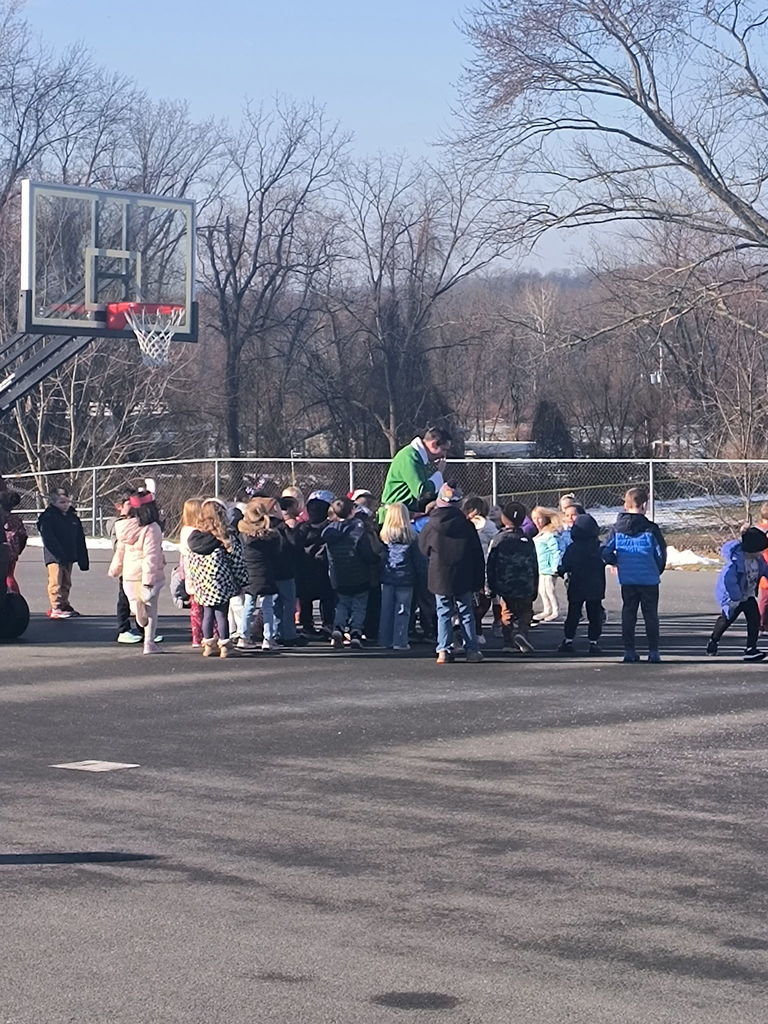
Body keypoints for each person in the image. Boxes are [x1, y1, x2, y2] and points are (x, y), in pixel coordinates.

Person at [418, 482, 485, 665]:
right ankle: (472, 650)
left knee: (443, 612)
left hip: (439, 574)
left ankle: (444, 650)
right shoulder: (467, 526)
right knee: (465, 611)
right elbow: (477, 553)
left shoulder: (430, 525)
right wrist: (479, 579)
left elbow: (423, 549)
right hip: (463, 573)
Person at [601, 486, 667, 663]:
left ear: (625, 505)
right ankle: (653, 651)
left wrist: (614, 561)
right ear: (644, 505)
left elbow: (605, 550)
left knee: (629, 614)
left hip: (628, 578)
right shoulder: (651, 529)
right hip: (649, 578)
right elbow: (660, 553)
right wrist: (656, 569)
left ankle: (629, 650)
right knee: (650, 615)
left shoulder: (617, 529)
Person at [186, 498, 248, 658]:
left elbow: (190, 562)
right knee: (222, 615)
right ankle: (225, 644)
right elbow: (237, 561)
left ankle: (208, 644)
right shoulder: (225, 537)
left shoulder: (195, 539)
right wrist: (242, 581)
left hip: (202, 584)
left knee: (207, 614)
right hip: (221, 583)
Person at [108, 488, 166, 655]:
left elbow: (120, 551)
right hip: (146, 575)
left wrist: (115, 569)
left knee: (134, 600)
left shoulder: (125, 527)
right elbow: (151, 555)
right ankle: (149, 643)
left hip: (129, 573)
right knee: (151, 609)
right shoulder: (151, 528)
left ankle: (136, 609)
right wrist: (149, 580)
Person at [323, 496, 381, 648]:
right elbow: (366, 553)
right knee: (359, 605)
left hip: (339, 575)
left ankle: (338, 627)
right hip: (359, 574)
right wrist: (376, 559)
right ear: (352, 511)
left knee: (342, 603)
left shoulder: (329, 531)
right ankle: (355, 631)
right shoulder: (358, 529)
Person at [707, 526, 768, 661]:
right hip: (734, 598)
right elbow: (729, 582)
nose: (761, 553)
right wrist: (735, 598)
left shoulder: (758, 560)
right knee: (726, 620)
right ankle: (714, 640)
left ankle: (751, 648)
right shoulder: (735, 562)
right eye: (759, 550)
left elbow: (765, 570)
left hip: (749, 595)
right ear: (751, 548)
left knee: (754, 620)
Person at [486, 501, 539, 654]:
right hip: (525, 583)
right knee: (526, 611)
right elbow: (535, 564)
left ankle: (508, 641)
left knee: (507, 612)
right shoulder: (527, 540)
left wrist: (490, 586)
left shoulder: (499, 539)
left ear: (503, 518)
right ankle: (522, 633)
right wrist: (534, 585)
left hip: (505, 584)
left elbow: (491, 563)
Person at [557, 513, 606, 655]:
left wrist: (562, 571)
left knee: (573, 614)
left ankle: (568, 640)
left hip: (576, 585)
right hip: (595, 585)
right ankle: (593, 642)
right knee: (594, 615)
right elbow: (607, 558)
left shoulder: (573, 547)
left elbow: (565, 564)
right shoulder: (598, 546)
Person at [238, 497, 282, 652]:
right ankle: (268, 638)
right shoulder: (272, 537)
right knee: (268, 607)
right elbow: (277, 554)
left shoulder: (244, 537)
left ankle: (243, 636)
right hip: (267, 574)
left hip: (250, 575)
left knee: (248, 606)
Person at [378, 426, 451, 520]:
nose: (444, 455)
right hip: (394, 517)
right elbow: (422, 492)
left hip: (405, 514)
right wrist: (439, 474)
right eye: (444, 449)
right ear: (433, 444)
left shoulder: (420, 459)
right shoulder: (410, 457)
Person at [37, 487, 89, 618]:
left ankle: (64, 603)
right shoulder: (48, 517)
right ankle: (56, 606)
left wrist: (83, 559)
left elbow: (79, 539)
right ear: (54, 503)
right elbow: (48, 537)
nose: (66, 505)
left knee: (66, 581)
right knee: (56, 581)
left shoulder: (73, 518)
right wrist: (57, 553)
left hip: (69, 554)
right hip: (55, 556)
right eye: (62, 502)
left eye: (67, 502)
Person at [378, 502, 419, 650]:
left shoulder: (384, 536)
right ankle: (400, 640)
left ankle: (385, 640)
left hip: (388, 576)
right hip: (406, 578)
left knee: (386, 609)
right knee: (403, 609)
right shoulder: (412, 537)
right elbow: (418, 561)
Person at [107, 487, 143, 644]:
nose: (134, 506)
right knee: (125, 599)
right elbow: (119, 546)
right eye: (129, 503)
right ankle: (123, 628)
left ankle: (144, 629)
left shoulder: (137, 522)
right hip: (126, 566)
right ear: (119, 506)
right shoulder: (118, 524)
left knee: (141, 599)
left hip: (137, 566)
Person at [296, 496, 336, 636]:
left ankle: (307, 624)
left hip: (305, 567)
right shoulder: (328, 529)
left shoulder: (302, 529)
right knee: (327, 598)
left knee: (306, 599)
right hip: (323, 566)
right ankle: (328, 624)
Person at [462, 496, 498, 643]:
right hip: (469, 566)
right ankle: (474, 629)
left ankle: (480, 628)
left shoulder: (488, 525)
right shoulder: (463, 524)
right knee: (472, 600)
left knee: (484, 600)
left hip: (484, 567)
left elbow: (495, 540)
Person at [178, 498, 204, 648]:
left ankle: (196, 636)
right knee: (203, 606)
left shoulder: (184, 530)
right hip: (198, 570)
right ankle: (204, 634)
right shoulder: (195, 532)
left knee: (195, 606)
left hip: (189, 570)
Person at [531, 507, 562, 621]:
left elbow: (555, 551)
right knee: (542, 590)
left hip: (549, 568)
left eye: (539, 518)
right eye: (534, 518)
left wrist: (555, 567)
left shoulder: (550, 533)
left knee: (550, 590)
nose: (537, 521)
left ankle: (556, 611)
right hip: (541, 568)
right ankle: (547, 609)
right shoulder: (540, 534)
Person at [0, 490, 27, 595]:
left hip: (4, 551)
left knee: (7, 576)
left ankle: (14, 596)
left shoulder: (3, 519)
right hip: (12, 551)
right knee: (9, 574)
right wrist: (17, 550)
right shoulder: (15, 519)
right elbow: (23, 536)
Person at [755, 502, 768, 634]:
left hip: (758, 564)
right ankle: (761, 624)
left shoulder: (757, 529)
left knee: (764, 597)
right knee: (765, 598)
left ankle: (762, 624)